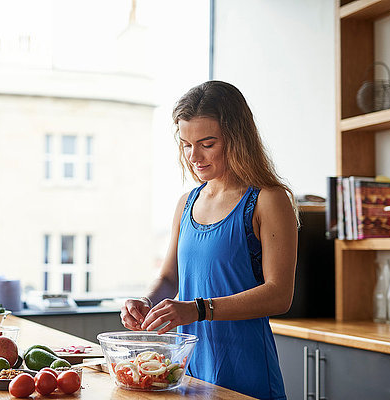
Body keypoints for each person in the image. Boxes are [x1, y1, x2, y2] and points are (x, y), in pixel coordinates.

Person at [120, 80, 298, 400]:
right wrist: (146, 302)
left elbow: (279, 295)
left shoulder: (269, 199)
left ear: (237, 138)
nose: (194, 156)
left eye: (207, 143)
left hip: (248, 373)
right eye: (186, 144)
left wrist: (198, 309)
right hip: (191, 374)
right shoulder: (187, 202)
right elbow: (169, 277)